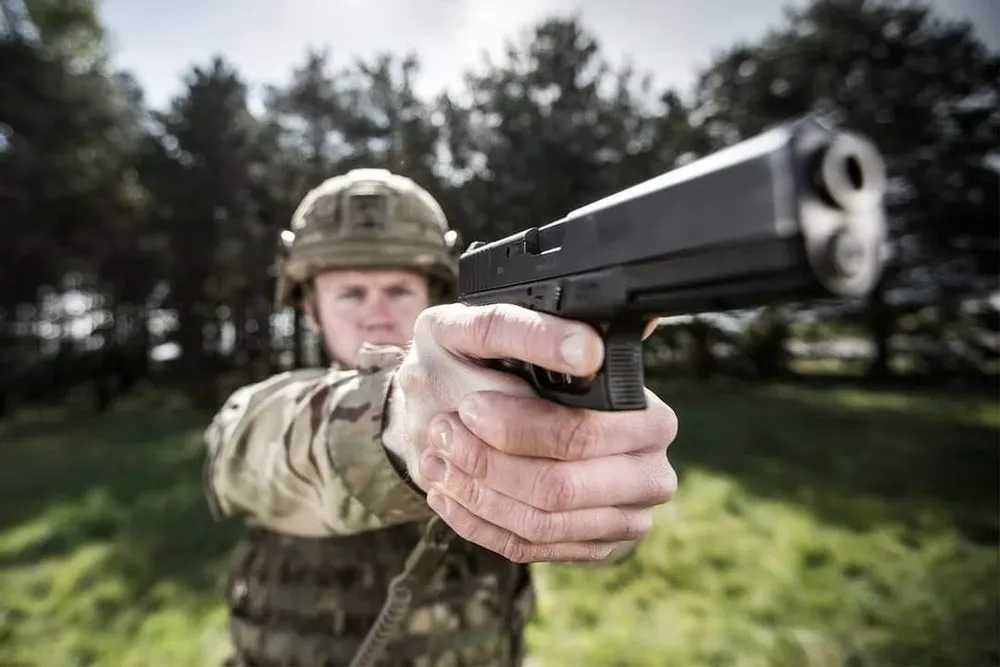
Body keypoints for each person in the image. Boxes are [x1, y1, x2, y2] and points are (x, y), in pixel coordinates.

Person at [203, 168, 680, 667]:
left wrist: (597, 495)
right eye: (350, 294)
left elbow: (609, 548)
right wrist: (403, 421)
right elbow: (250, 452)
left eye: (398, 290)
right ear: (309, 307)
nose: (377, 313)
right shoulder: (261, 413)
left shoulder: (505, 401)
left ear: (433, 295)